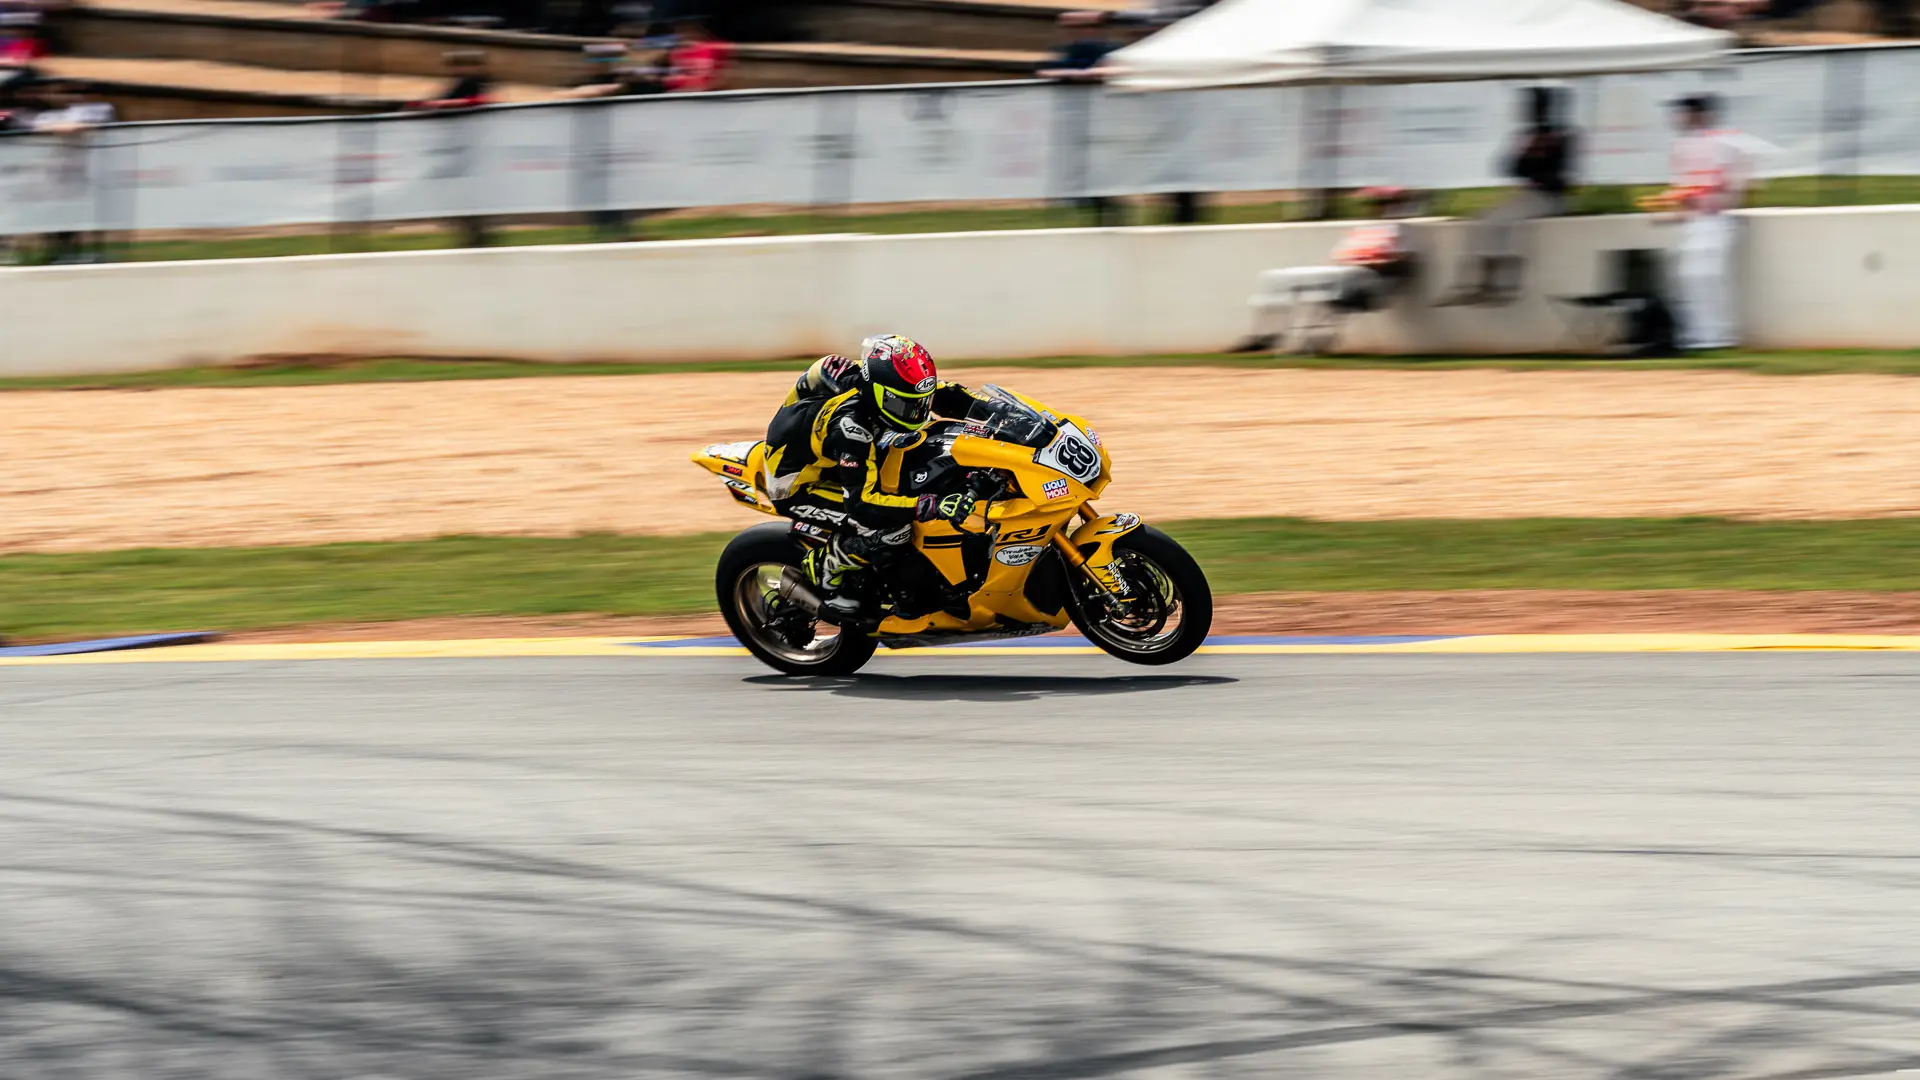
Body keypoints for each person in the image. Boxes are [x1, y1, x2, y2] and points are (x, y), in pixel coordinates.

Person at [763, 334, 983, 624]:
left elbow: (951, 396)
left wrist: (1002, 414)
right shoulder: (852, 429)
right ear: (880, 394)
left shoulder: (881, 384)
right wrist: (932, 505)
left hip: (829, 454)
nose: (917, 412)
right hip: (797, 484)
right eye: (907, 405)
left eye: (920, 403)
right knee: (891, 527)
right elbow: (862, 505)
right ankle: (824, 569)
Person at [1233, 187, 1421, 353]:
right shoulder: (1363, 229)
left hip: (1364, 280)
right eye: (1377, 203)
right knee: (1274, 279)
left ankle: (1299, 341)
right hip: (1341, 274)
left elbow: (1404, 260)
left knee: (1328, 284)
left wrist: (1377, 262)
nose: (1379, 207)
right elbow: (1338, 255)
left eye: (1384, 203)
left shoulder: (1401, 230)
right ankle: (1264, 336)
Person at [1437, 85, 1578, 307]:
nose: (1531, 112)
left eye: (1536, 107)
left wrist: (1539, 160)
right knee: (1480, 220)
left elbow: (1563, 175)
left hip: (1551, 198)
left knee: (1505, 222)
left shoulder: (1564, 135)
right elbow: (1509, 168)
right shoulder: (1528, 137)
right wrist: (1528, 151)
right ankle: (1473, 283)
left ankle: (1503, 285)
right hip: (1530, 195)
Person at [1645, 93, 1755, 351]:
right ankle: (1698, 335)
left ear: (1701, 114)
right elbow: (1684, 187)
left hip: (1717, 218)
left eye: (1686, 112)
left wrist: (1704, 196)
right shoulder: (1682, 146)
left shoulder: (1725, 142)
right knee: (1690, 278)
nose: (1680, 118)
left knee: (1710, 277)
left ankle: (1719, 335)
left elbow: (1729, 182)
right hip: (1696, 221)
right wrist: (1674, 207)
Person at [663, 19, 731, 92]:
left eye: (689, 28)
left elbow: (728, 77)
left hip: (715, 95)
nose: (685, 34)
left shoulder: (719, 47)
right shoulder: (676, 53)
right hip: (684, 96)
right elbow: (673, 79)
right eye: (680, 30)